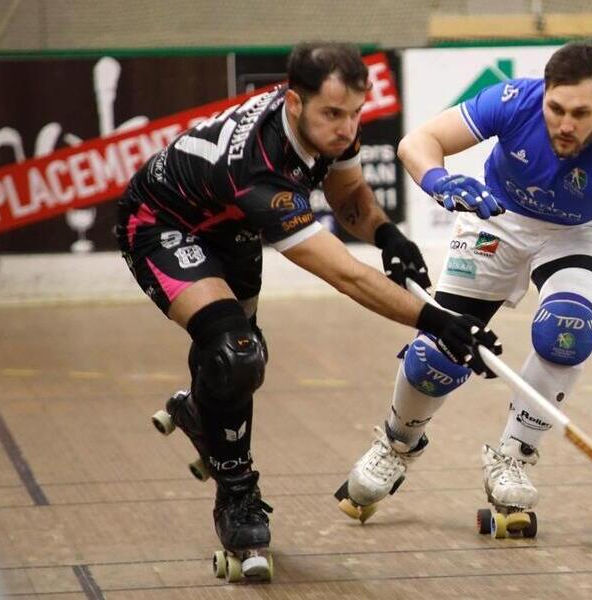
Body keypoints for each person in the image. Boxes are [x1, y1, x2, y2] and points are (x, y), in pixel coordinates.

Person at [115, 42, 502, 580]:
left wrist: (386, 234)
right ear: (293, 103)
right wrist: (438, 322)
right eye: (332, 114)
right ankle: (237, 498)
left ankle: (200, 412)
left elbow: (349, 195)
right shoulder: (258, 166)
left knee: (237, 369)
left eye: (355, 115)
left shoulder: (326, 129)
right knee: (234, 355)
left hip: (233, 229)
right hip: (161, 223)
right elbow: (343, 274)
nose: (346, 129)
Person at [337, 41, 592, 532]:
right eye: (556, 108)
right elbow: (416, 143)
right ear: (543, 94)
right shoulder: (514, 101)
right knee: (436, 350)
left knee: (568, 330)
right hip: (498, 220)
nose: (565, 124)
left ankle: (514, 455)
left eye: (581, 113)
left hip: (578, 233)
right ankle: (397, 443)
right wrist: (440, 181)